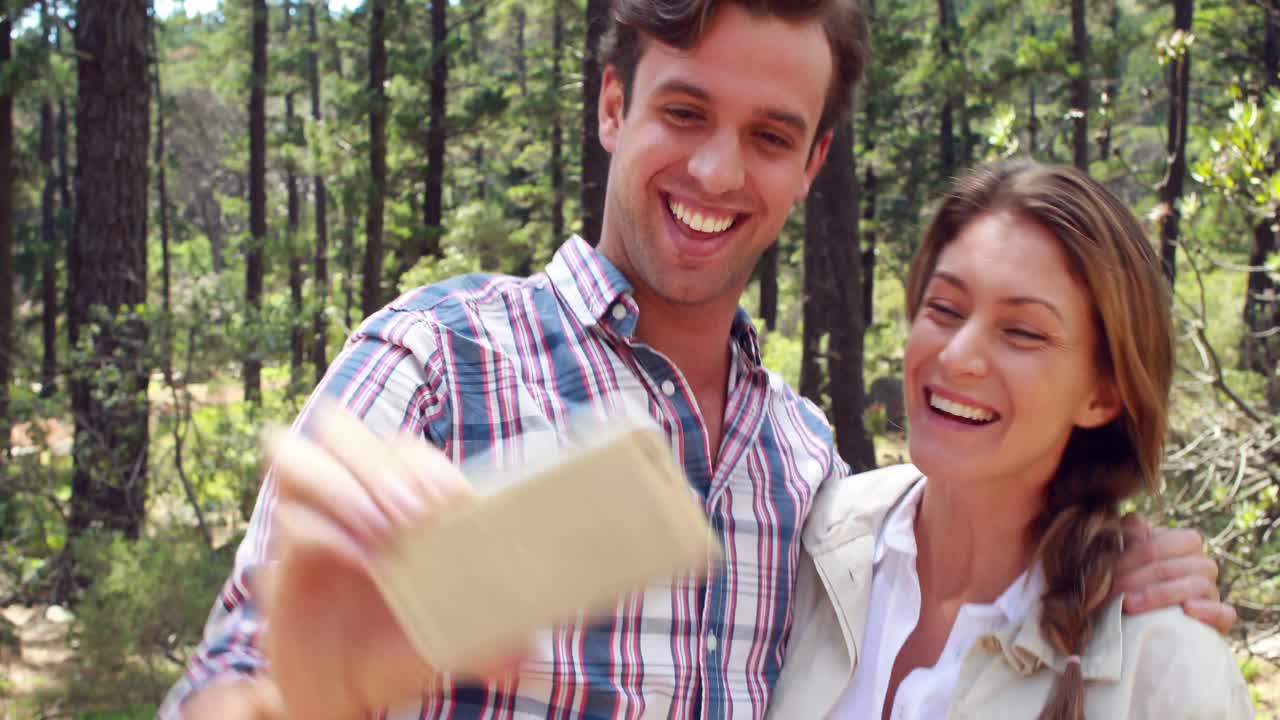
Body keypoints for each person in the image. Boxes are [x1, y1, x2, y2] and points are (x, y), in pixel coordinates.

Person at [162, 3, 1235, 718]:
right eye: (682, 112)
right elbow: (234, 676)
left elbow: (996, 523)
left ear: (812, 162)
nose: (718, 170)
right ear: (611, 105)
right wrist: (296, 690)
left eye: (770, 136)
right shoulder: (439, 360)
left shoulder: (804, 471)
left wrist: (1111, 554)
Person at [767, 161, 1253, 719]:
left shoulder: (1162, 662)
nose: (956, 357)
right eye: (945, 309)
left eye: (1022, 332)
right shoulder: (808, 543)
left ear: (1103, 395)